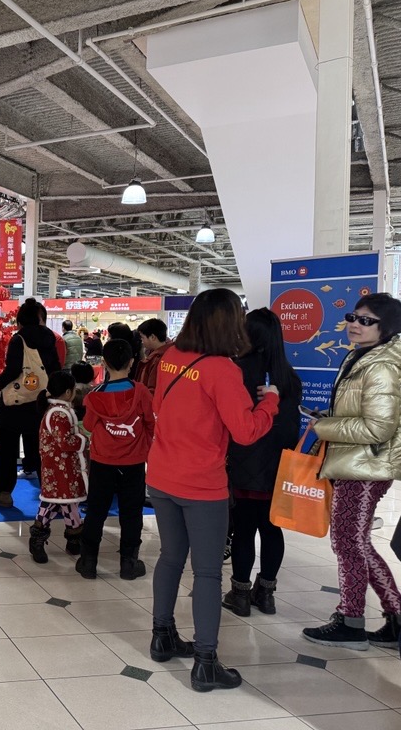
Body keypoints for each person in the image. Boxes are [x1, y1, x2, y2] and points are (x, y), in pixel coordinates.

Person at [148, 288, 279, 692]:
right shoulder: (223, 369)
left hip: (162, 476)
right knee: (206, 572)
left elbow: (158, 410)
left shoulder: (171, 357)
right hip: (202, 484)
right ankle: (206, 662)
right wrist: (270, 403)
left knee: (170, 558)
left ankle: (162, 636)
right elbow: (246, 431)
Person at [303, 293, 401, 651]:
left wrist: (325, 428)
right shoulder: (361, 356)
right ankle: (395, 617)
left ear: (386, 327)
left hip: (366, 467)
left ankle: (351, 621)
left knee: (348, 543)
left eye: (366, 320)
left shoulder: (382, 366)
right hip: (354, 462)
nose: (355, 324)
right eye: (352, 317)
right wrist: (328, 420)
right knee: (354, 542)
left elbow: (378, 428)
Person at [222, 309, 302, 618]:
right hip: (280, 468)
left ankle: (240, 594)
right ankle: (266, 594)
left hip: (244, 464)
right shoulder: (289, 377)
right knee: (272, 530)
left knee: (243, 530)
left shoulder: (237, 371)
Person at [77, 339, 155, 580]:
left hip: (103, 462)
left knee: (96, 510)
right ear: (132, 362)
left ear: (104, 362)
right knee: (131, 512)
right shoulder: (141, 392)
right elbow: (150, 423)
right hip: (133, 463)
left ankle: (88, 561)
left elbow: (89, 425)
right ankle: (129, 563)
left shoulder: (94, 396)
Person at [0, 299, 61, 507]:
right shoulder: (50, 338)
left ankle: (2, 493)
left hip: (16, 403)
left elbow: (13, 369)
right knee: (42, 450)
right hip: (41, 401)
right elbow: (55, 367)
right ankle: (52, 494)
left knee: (7, 449)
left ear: (20, 321)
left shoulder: (18, 339)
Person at [29, 371, 88, 563]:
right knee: (53, 503)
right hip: (60, 469)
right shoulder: (59, 414)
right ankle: (38, 539)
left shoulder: (55, 410)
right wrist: (83, 440)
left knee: (67, 502)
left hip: (58, 467)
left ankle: (73, 539)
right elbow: (65, 442)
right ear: (68, 392)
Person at [135, 318, 174, 394]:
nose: (142, 341)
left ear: (153, 337)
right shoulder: (168, 353)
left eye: (142, 337)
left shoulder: (158, 359)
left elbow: (152, 389)